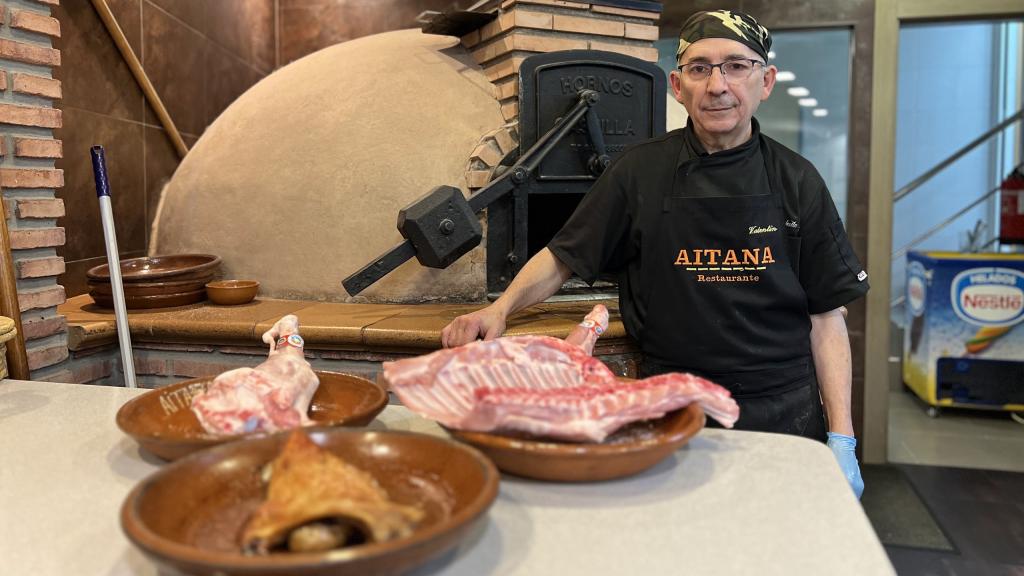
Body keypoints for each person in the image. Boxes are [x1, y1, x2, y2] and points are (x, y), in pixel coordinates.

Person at [441, 10, 868, 498]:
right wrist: (499, 309)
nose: (717, 85)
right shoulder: (638, 171)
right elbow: (563, 255)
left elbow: (827, 318)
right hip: (670, 403)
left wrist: (842, 438)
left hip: (781, 409)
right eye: (700, 68)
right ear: (677, 84)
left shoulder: (798, 180)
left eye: (736, 66)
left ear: (765, 81)